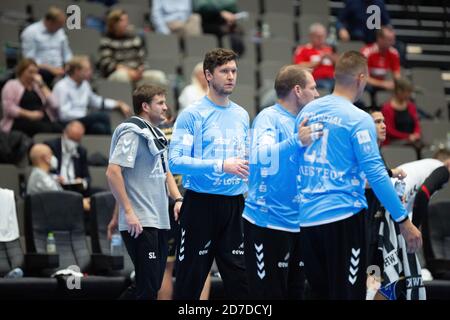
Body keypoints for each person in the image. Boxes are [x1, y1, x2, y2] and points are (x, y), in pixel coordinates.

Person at [294, 51, 422, 300]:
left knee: (319, 294)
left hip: (307, 220)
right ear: (361, 78)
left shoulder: (307, 111)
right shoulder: (359, 119)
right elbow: (375, 173)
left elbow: (294, 160)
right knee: (348, 294)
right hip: (342, 219)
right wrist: (403, 221)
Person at [169, 48, 249, 299]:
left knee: (242, 284)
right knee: (189, 284)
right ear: (208, 75)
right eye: (224, 71)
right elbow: (175, 161)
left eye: (234, 71)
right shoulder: (192, 115)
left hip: (234, 206)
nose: (231, 76)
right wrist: (220, 165)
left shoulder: (241, 114)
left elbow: (245, 160)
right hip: (200, 205)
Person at [243, 65, 321, 299]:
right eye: (313, 88)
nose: (317, 94)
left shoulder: (307, 120)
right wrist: (296, 140)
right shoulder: (269, 117)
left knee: (296, 293)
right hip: (268, 224)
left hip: (300, 223)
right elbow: (260, 155)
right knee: (269, 296)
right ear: (298, 90)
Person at [106, 84, 183, 300]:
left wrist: (177, 198)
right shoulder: (132, 132)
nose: (166, 107)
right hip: (140, 221)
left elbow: (166, 173)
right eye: (160, 103)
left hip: (158, 220)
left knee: (150, 284)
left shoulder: (156, 134)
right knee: (147, 287)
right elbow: (113, 172)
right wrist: (128, 212)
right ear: (145, 106)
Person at [375, 150, 450, 300]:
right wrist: (412, 227)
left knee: (385, 274)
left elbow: (415, 199)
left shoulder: (423, 168)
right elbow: (423, 194)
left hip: (386, 206)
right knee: (395, 275)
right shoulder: (442, 169)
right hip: (391, 206)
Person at [53, 55, 131, 135]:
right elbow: (64, 114)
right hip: (67, 122)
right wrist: (86, 115)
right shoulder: (61, 87)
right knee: (103, 116)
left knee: (100, 128)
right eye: (86, 70)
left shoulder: (85, 85)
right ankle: (116, 139)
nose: (90, 72)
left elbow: (96, 101)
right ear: (77, 71)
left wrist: (117, 104)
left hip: (83, 120)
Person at [98, 9, 168, 87]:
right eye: (122, 21)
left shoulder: (134, 38)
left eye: (126, 20)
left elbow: (143, 59)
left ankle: (158, 99)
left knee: (159, 76)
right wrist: (128, 72)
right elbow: (107, 64)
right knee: (122, 76)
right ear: (114, 23)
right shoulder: (106, 40)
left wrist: (140, 70)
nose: (126, 23)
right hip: (117, 74)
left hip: (137, 73)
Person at [0, 58, 61, 137]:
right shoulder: (11, 85)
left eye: (35, 72)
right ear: (22, 72)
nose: (33, 75)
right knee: (44, 129)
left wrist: (42, 85)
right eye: (30, 72)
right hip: (19, 121)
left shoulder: (37, 86)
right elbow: (9, 108)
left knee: (60, 128)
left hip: (41, 119)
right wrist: (29, 114)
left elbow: (55, 104)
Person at [21, 6, 73, 87]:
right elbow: (29, 59)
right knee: (44, 74)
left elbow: (67, 54)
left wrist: (68, 65)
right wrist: (50, 69)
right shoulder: (31, 32)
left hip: (60, 70)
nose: (60, 28)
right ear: (50, 21)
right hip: (40, 69)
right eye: (59, 25)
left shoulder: (60, 32)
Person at [45, 121, 91, 196]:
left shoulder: (81, 151)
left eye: (77, 140)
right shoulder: (51, 146)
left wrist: (82, 182)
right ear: (64, 133)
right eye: (71, 139)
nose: (73, 143)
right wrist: (55, 178)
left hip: (75, 189)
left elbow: (87, 178)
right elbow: (43, 170)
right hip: (56, 187)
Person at [361, 26, 401, 107]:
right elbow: (363, 77)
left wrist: (398, 85)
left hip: (383, 84)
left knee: (401, 90)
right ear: (380, 39)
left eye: (393, 39)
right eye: (389, 40)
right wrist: (383, 84)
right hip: (366, 85)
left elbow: (397, 75)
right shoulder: (367, 52)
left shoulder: (394, 53)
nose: (393, 43)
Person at [293, 23, 337, 92]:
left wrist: (331, 58)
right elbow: (299, 66)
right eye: (318, 37)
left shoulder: (329, 49)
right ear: (311, 36)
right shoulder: (303, 49)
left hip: (332, 79)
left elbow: (340, 65)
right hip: (315, 80)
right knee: (327, 85)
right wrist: (319, 62)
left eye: (323, 36)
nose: (321, 39)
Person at [381, 78, 421, 146]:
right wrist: (408, 136)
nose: (409, 95)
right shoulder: (387, 108)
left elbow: (417, 125)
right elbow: (389, 131)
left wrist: (416, 134)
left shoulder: (411, 106)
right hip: (394, 142)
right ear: (399, 91)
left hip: (411, 140)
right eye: (407, 92)